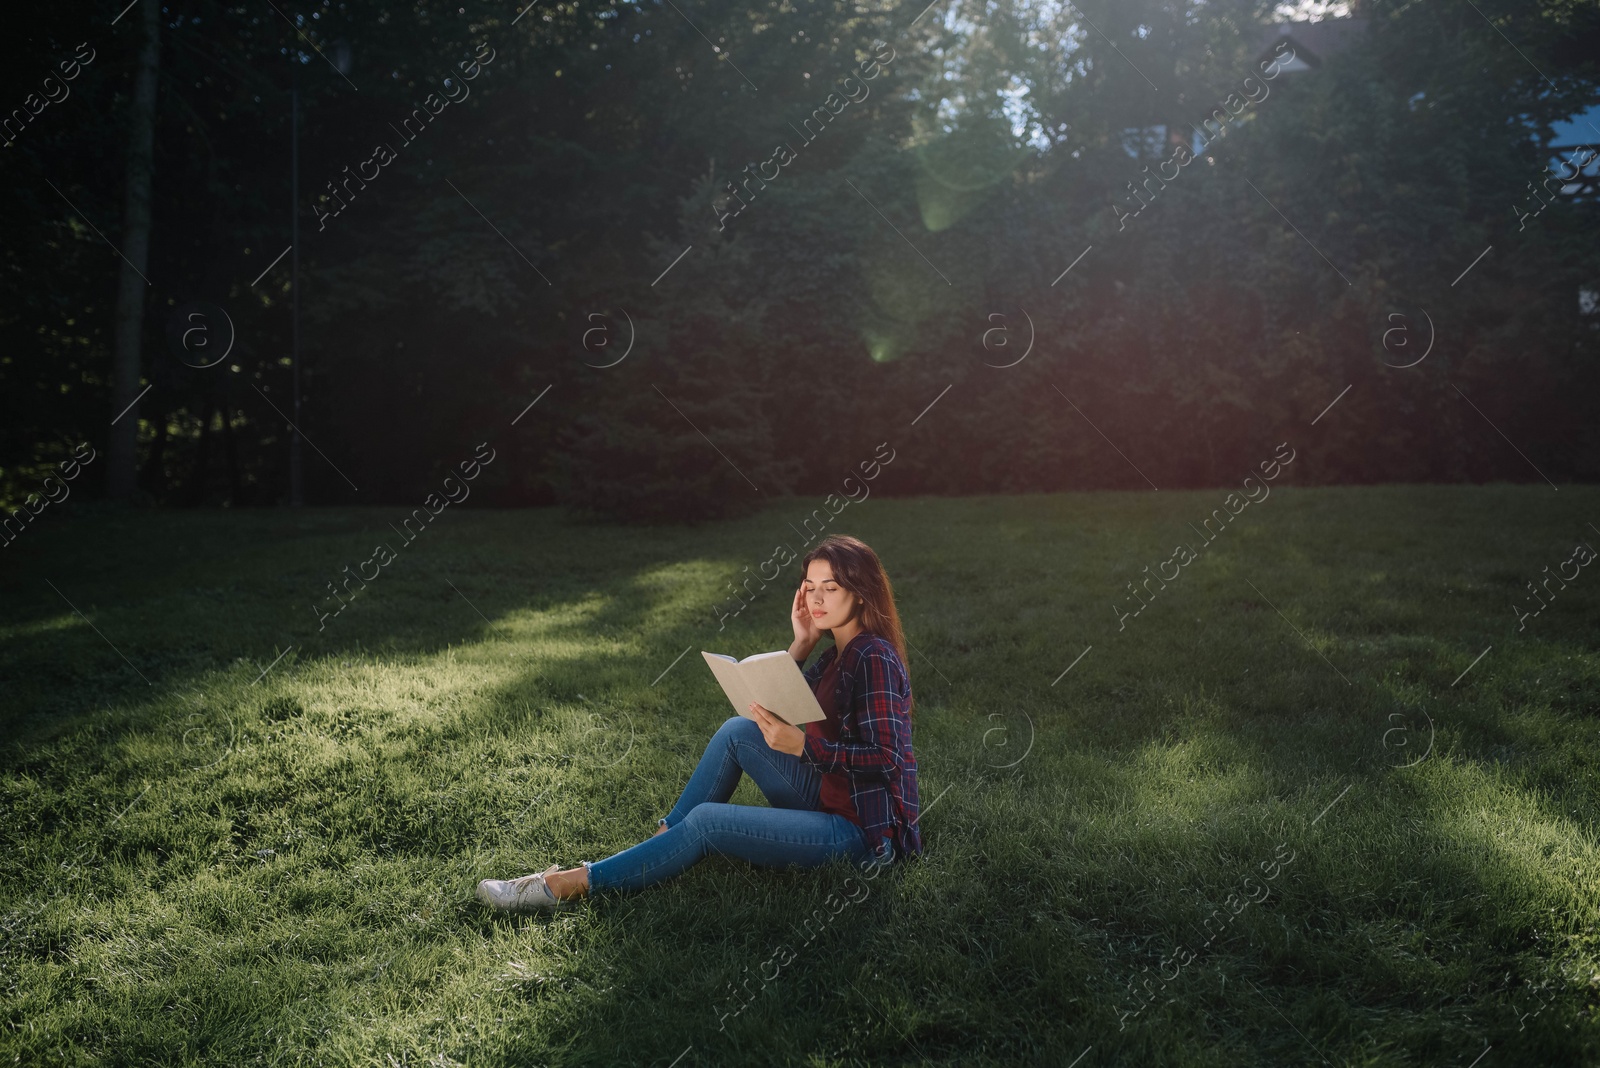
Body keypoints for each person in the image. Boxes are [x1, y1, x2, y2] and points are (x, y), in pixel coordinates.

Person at [476, 533, 922, 911]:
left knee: (709, 822)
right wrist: (801, 643)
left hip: (863, 835)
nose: (816, 598)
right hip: (829, 799)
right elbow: (773, 711)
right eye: (809, 586)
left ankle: (564, 886)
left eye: (832, 587)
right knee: (738, 732)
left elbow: (888, 759)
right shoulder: (837, 655)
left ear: (861, 592)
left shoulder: (873, 657)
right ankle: (660, 843)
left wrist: (805, 748)